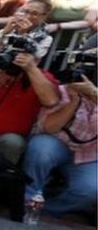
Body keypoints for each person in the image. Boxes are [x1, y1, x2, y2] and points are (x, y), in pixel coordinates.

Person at [22, 72, 97, 218]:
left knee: (91, 189)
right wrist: (74, 102)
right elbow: (49, 128)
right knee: (41, 151)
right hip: (55, 142)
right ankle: (26, 200)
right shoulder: (60, 91)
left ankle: (48, 210)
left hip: (89, 153)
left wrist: (94, 94)